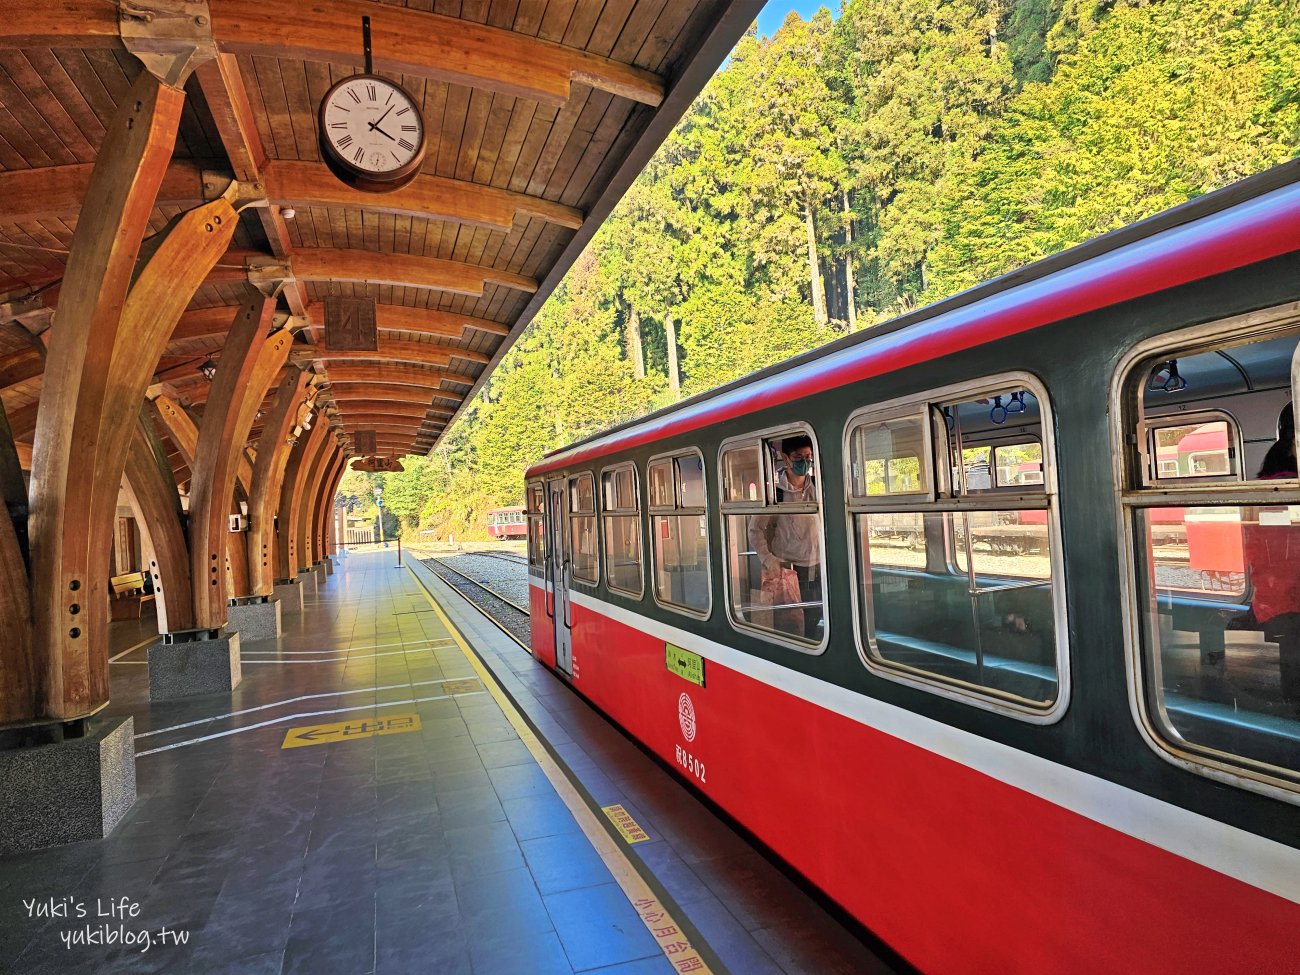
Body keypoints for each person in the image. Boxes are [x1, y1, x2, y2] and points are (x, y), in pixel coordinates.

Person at [1244, 402, 1299, 704]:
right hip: (1291, 596)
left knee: (1292, 657)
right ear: (1293, 448)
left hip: (1269, 596)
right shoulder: (1291, 489)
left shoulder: (1258, 491)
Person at [748, 435, 823, 640]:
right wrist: (769, 560)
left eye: (808, 456)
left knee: (816, 621)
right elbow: (755, 530)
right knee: (791, 628)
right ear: (785, 458)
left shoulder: (819, 487)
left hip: (819, 570)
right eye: (798, 457)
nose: (804, 462)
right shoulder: (775, 492)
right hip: (789, 574)